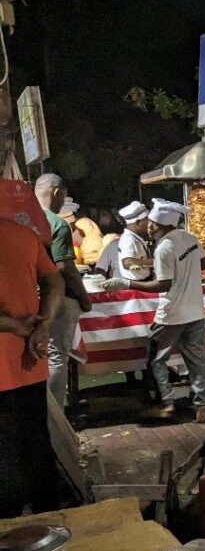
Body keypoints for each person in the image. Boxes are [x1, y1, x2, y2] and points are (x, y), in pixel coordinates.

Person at [100, 200, 205, 420]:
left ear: (162, 225)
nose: (148, 227)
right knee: (197, 360)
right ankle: (203, 406)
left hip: (171, 315)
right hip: (196, 312)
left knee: (156, 358)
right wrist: (185, 269)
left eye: (151, 223)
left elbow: (163, 285)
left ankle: (168, 402)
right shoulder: (189, 238)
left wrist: (127, 284)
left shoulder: (164, 248)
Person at [0, 218, 65, 518]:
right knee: (36, 443)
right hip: (28, 363)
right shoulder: (22, 235)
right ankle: (49, 521)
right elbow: (54, 280)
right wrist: (44, 323)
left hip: (13, 362)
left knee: (6, 455)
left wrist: (20, 326)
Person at [34, 173, 92, 408]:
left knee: (36, 354)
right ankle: (54, 416)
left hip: (29, 296)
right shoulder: (56, 223)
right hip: (59, 298)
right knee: (57, 356)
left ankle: (36, 409)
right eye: (63, 197)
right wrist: (84, 297)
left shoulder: (20, 220)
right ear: (57, 192)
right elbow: (64, 267)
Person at [101, 201, 152, 280]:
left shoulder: (135, 237)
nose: (150, 225)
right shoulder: (128, 240)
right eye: (148, 221)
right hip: (137, 284)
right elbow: (127, 262)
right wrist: (156, 262)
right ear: (138, 222)